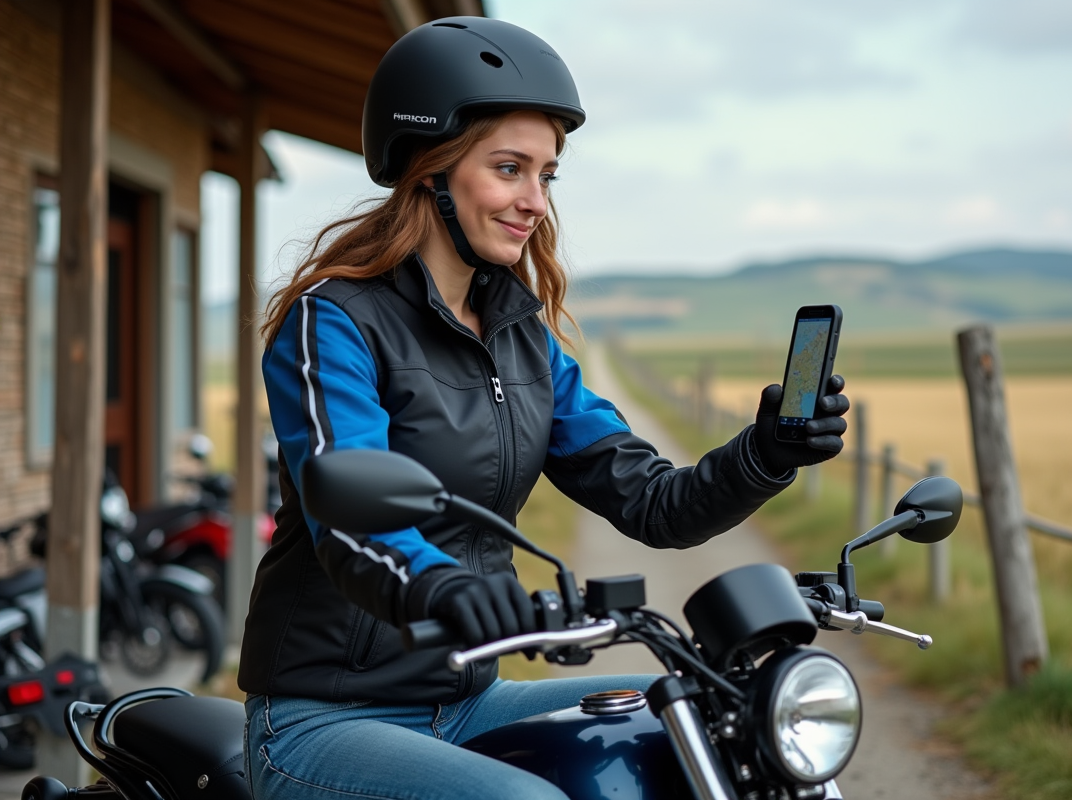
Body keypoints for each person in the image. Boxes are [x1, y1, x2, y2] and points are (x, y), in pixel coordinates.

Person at [238, 16, 849, 800]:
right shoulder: (334, 322)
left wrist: (766, 453)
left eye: (546, 174)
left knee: (714, 718)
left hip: (465, 700)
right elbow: (353, 513)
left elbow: (654, 502)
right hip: (321, 719)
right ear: (430, 169)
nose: (534, 201)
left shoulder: (521, 338)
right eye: (509, 168)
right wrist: (443, 586)